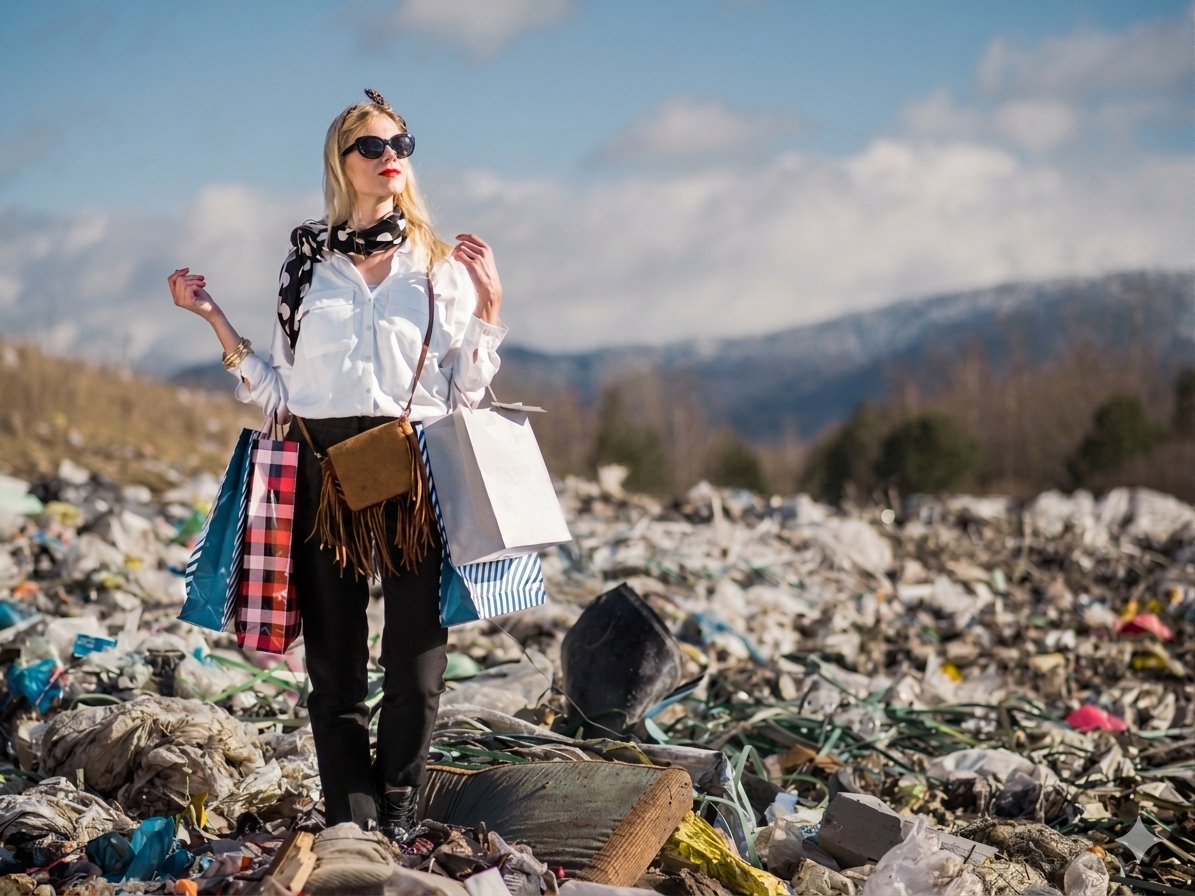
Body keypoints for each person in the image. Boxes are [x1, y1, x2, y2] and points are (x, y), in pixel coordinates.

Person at [167, 89, 507, 840]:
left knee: (417, 654)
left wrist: (488, 309)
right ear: (342, 162)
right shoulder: (305, 265)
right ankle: (349, 816)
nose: (392, 159)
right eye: (375, 148)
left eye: (402, 145)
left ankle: (397, 799)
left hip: (411, 465)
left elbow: (464, 389)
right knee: (334, 663)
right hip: (322, 467)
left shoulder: (438, 266)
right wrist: (213, 317)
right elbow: (284, 390)